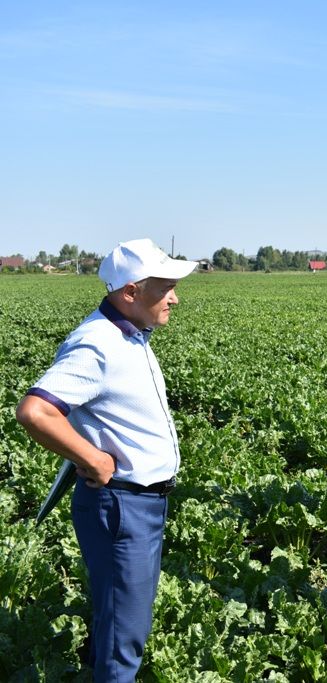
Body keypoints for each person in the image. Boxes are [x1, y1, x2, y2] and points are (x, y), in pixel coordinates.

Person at [16, 238, 197, 682]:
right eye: (166, 287)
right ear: (131, 292)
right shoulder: (98, 343)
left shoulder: (130, 335)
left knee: (117, 618)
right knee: (124, 639)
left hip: (139, 505)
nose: (175, 296)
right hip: (122, 508)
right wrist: (92, 459)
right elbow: (35, 410)